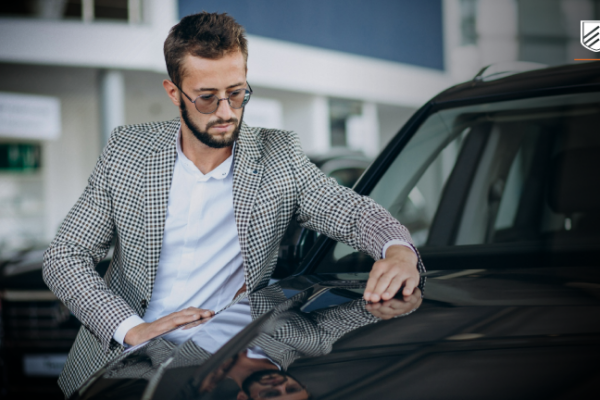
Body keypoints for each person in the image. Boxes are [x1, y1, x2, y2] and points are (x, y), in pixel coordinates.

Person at [42, 11, 424, 398]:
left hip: (224, 362)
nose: (226, 112)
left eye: (237, 93)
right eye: (207, 98)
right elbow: (65, 257)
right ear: (175, 93)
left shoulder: (279, 156)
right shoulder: (129, 151)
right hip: (121, 365)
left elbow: (353, 213)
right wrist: (129, 328)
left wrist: (396, 250)